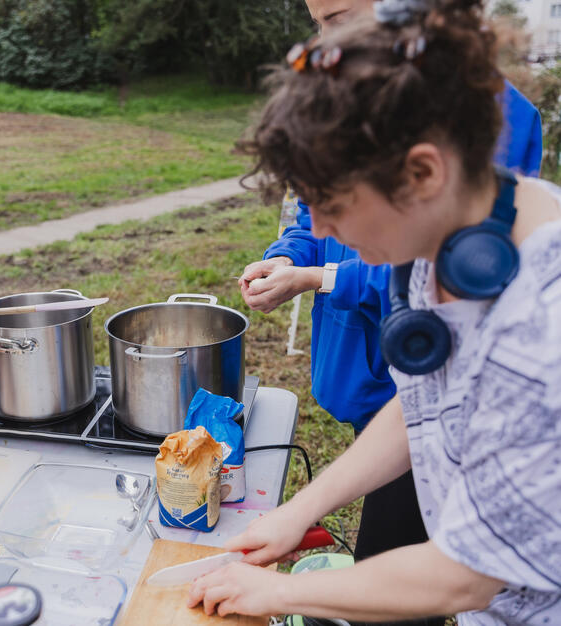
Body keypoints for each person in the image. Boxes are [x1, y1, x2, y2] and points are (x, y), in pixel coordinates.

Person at [191, 0, 561, 621]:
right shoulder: (450, 233)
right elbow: (418, 405)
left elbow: (463, 577)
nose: (326, 228)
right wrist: (297, 512)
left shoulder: (541, 329)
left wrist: (282, 592)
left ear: (422, 172)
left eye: (332, 204)